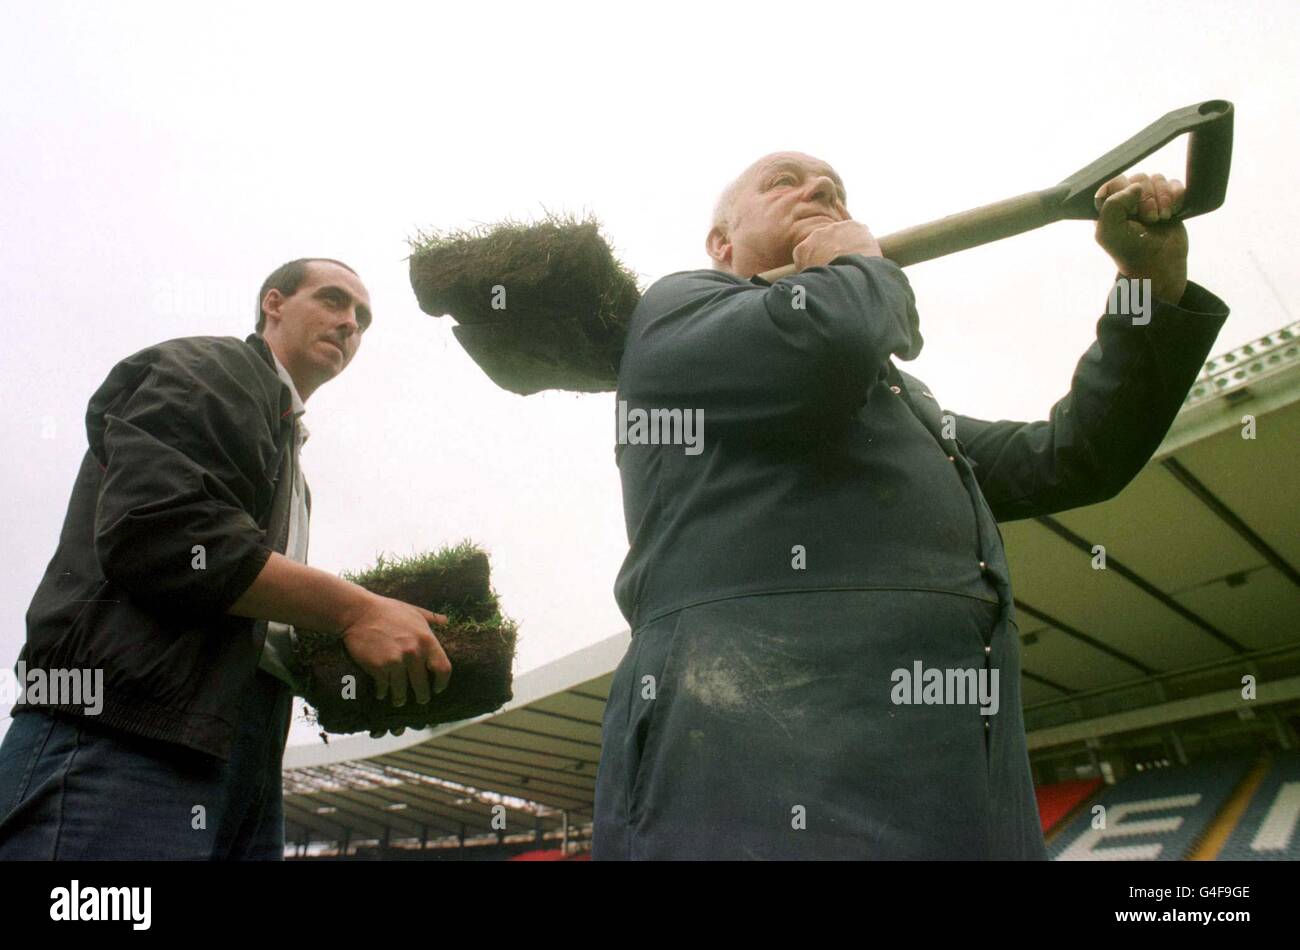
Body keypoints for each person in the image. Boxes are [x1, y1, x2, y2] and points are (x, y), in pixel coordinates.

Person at [593, 153, 1230, 859]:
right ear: (721, 242)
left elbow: (1073, 458)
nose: (820, 191)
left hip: (963, 796)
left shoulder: (909, 406)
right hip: (754, 784)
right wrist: (857, 260)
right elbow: (827, 345)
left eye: (834, 189)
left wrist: (1149, 286)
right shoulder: (677, 312)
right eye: (784, 181)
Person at [0, 258, 451, 859]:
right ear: (274, 303)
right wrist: (354, 611)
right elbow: (162, 535)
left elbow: (240, 612)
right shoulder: (212, 369)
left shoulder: (290, 451)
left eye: (362, 318)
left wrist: (344, 671)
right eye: (333, 301)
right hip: (120, 735)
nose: (349, 324)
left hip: (236, 758)